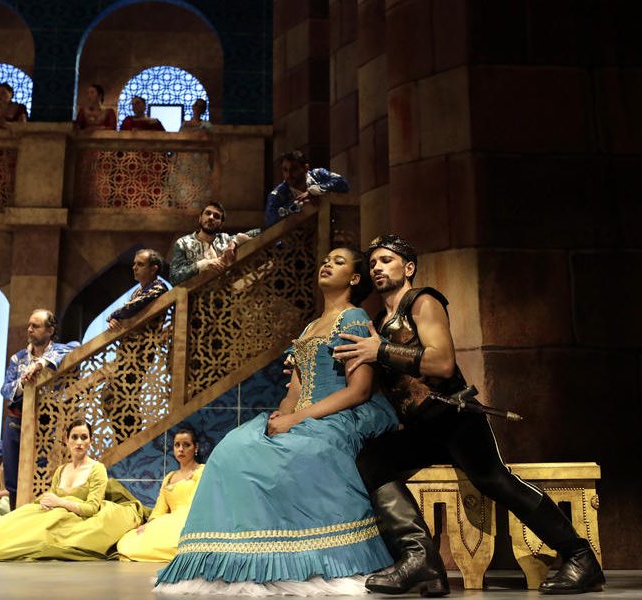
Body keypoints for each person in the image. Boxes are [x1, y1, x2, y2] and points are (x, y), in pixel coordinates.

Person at [332, 234, 607, 596]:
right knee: (372, 458)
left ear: (408, 268)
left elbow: (443, 363)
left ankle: (580, 556)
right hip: (420, 426)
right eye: (373, 264)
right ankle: (422, 561)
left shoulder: (423, 301)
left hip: (453, 417)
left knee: (494, 481)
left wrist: (379, 351)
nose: (377, 268)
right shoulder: (380, 320)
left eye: (386, 260)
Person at [155, 246, 398, 594]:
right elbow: (294, 390)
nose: (327, 264)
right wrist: (283, 414)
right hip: (303, 414)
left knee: (292, 454)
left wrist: (296, 419)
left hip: (338, 414)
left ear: (355, 278)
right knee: (233, 448)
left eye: (339, 262)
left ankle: (306, 556)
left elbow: (358, 391)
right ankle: (240, 555)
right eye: (325, 259)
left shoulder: (354, 318)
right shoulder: (312, 326)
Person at [0, 418, 148, 561]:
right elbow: (52, 496)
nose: (79, 442)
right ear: (67, 440)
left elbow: (92, 508)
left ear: (90, 441)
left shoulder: (97, 469)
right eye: (74, 437)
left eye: (84, 437)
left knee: (35, 538)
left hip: (77, 520)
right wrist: (46, 501)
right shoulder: (61, 470)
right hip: (54, 514)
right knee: (16, 520)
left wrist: (60, 502)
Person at [1, 309, 79, 508]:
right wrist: (23, 382)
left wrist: (41, 364)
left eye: (35, 326)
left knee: (44, 473)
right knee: (13, 476)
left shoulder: (61, 350)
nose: (29, 329)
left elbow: (76, 347)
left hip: (48, 424)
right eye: (29, 325)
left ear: (50, 330)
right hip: (16, 421)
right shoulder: (18, 358)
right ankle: (15, 517)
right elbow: (5, 390)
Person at [116, 427, 203, 562]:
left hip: (191, 519)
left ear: (195, 448)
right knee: (129, 541)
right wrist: (148, 525)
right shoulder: (169, 477)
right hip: (170, 519)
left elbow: (202, 502)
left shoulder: (202, 471)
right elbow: (159, 509)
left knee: (179, 541)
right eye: (177, 445)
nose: (181, 449)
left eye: (186, 445)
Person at [169, 202, 259, 285]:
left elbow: (259, 231)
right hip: (197, 295)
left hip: (227, 293)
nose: (211, 217)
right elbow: (174, 278)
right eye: (208, 213)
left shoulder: (225, 239)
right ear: (200, 218)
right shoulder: (183, 243)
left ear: (221, 224)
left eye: (216, 216)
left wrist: (235, 242)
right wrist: (204, 265)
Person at [265, 150, 349, 227]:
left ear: (306, 168)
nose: (288, 175)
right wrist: (298, 205)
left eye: (294, 169)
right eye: (285, 170)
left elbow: (342, 183)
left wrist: (314, 191)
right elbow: (270, 220)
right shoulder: (277, 194)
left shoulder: (318, 175)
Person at [107, 249, 169, 331]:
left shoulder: (159, 287)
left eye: (140, 264)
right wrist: (114, 321)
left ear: (153, 269)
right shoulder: (137, 291)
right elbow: (126, 315)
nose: (134, 267)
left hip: (150, 337)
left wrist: (112, 316)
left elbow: (131, 308)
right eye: (134, 263)